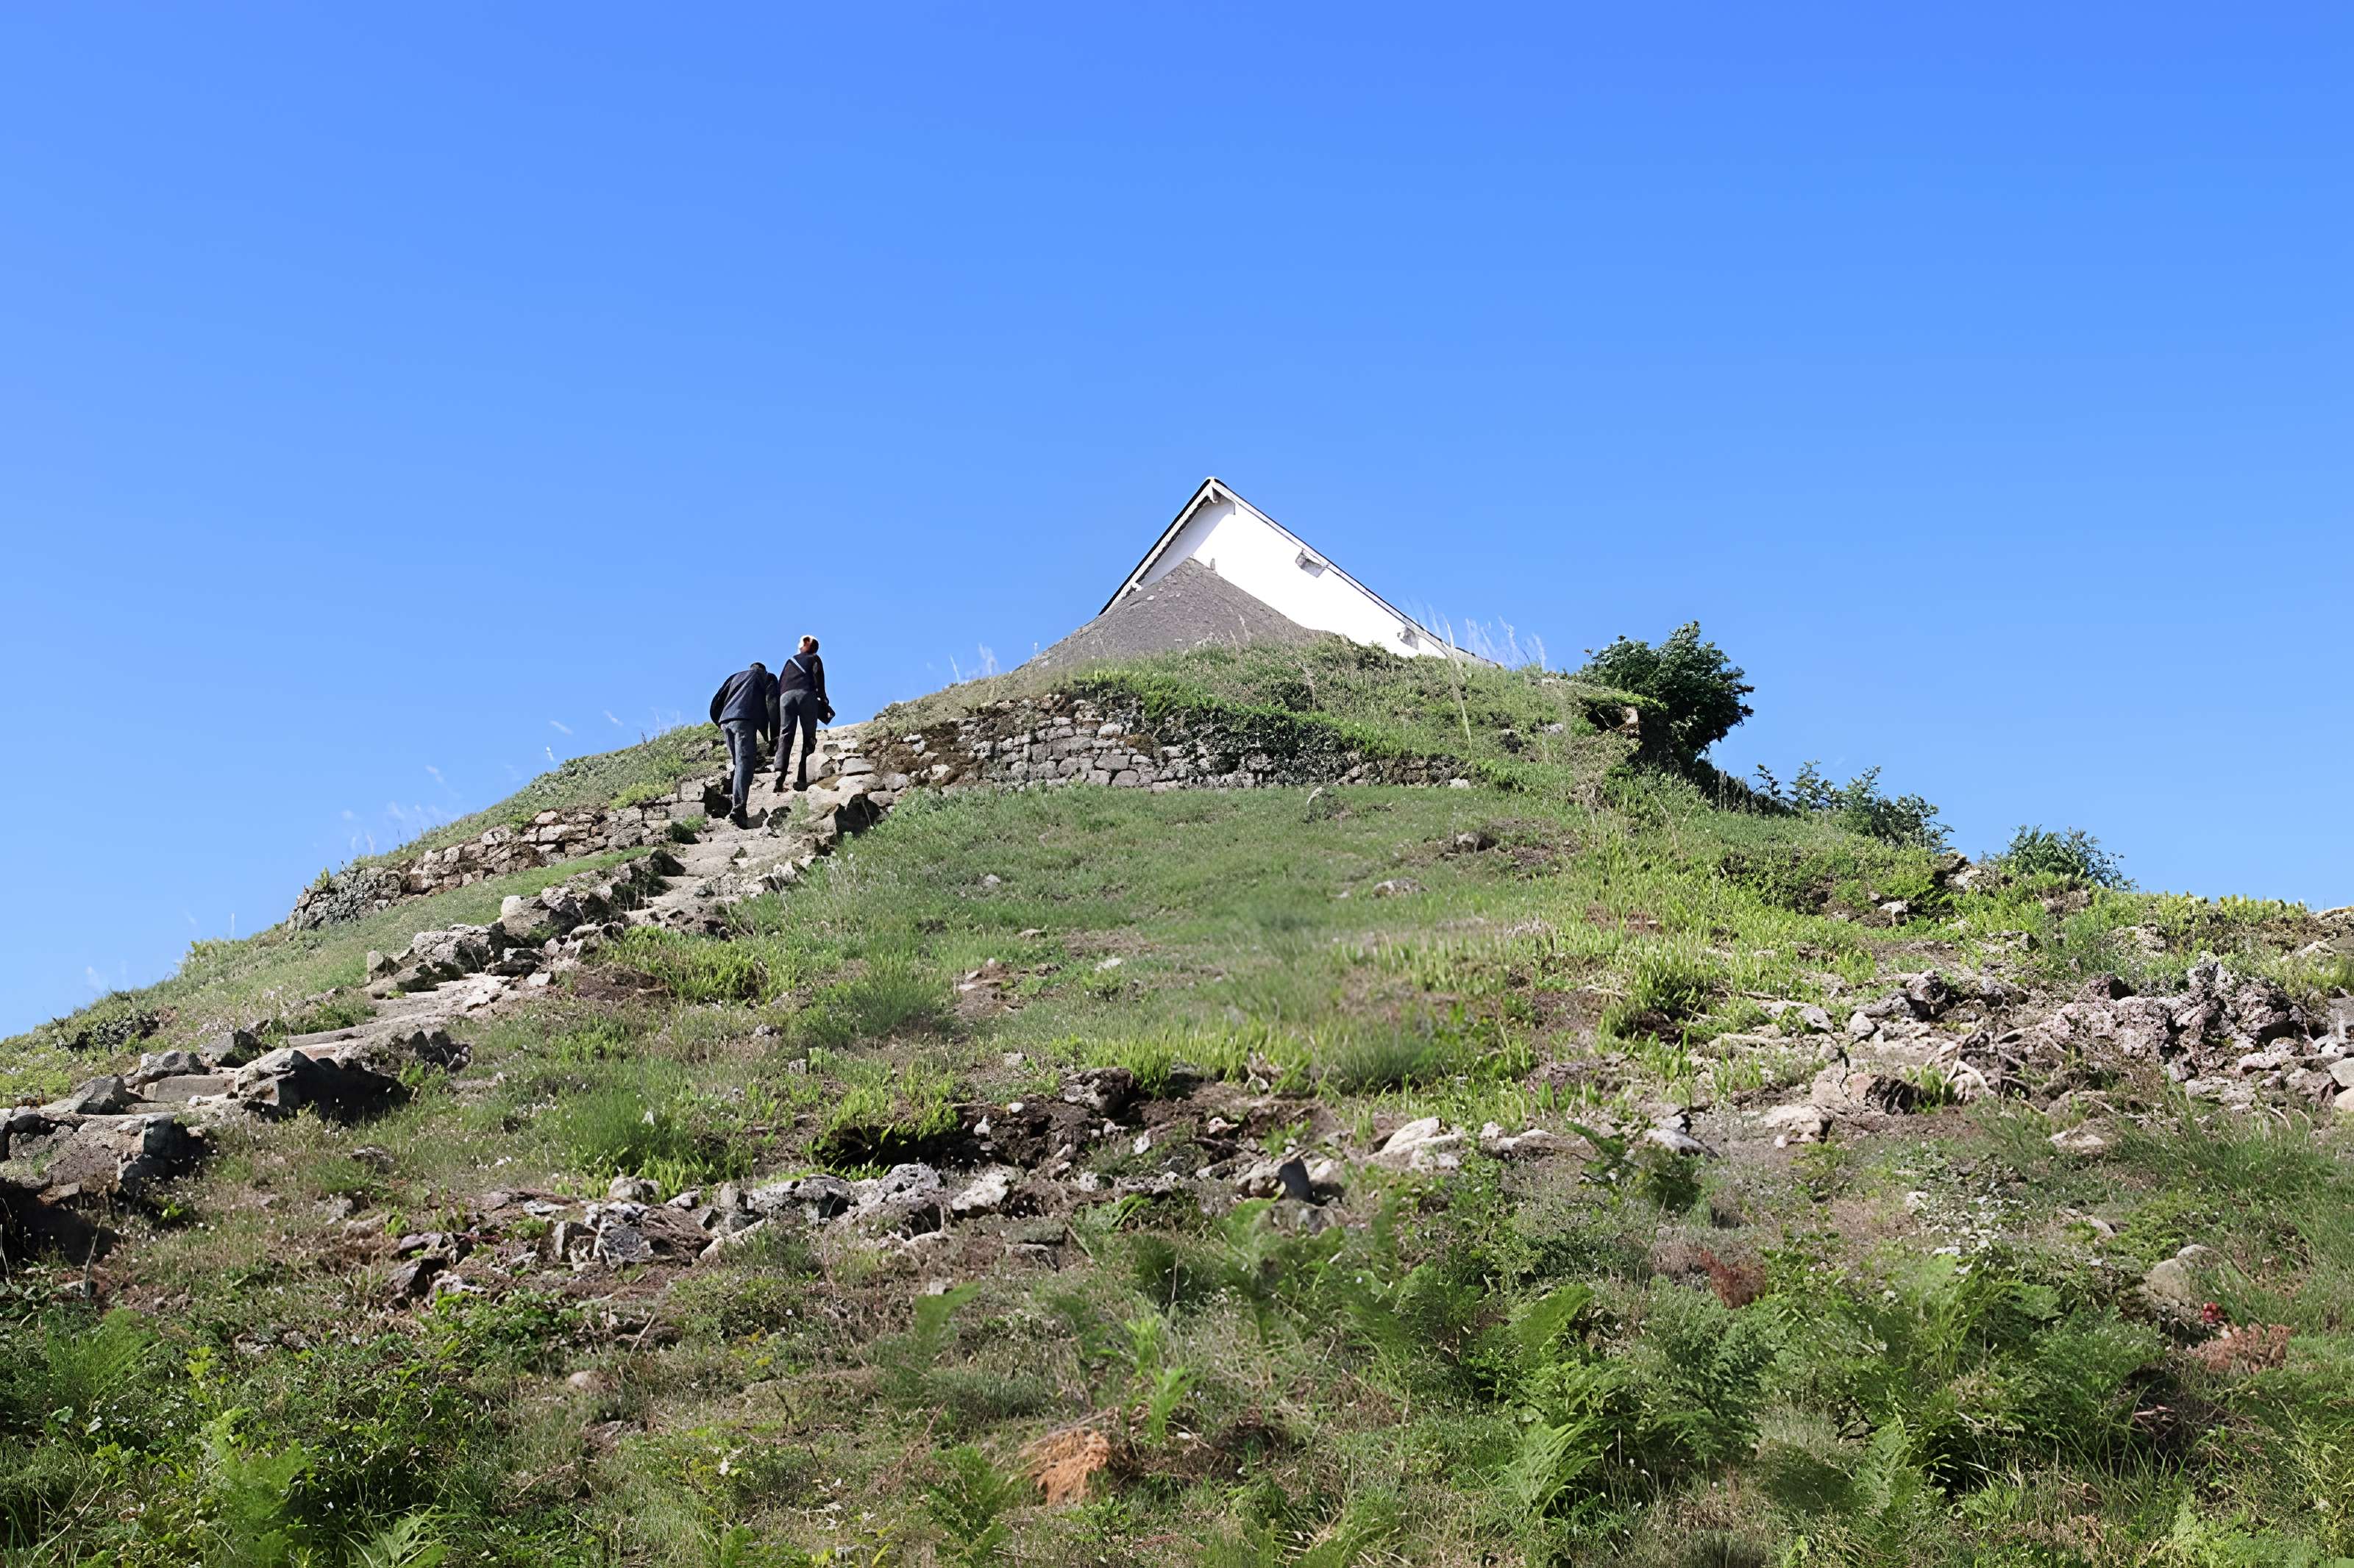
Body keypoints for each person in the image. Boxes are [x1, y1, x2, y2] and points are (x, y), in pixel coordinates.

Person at [708, 660, 778, 825]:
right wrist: (774, 735)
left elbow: (716, 701)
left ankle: (732, 802)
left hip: (726, 721)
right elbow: (773, 704)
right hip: (745, 720)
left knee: (737, 763)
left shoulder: (736, 677)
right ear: (763, 669)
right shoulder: (767, 678)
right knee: (744, 764)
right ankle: (738, 810)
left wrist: (719, 721)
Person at [771, 634, 833, 792]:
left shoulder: (790, 660)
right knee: (809, 736)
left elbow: (780, 683)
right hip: (806, 695)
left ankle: (779, 773)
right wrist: (824, 701)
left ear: (806, 644)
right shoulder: (815, 659)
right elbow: (820, 682)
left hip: (785, 697)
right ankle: (802, 778)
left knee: (786, 734)